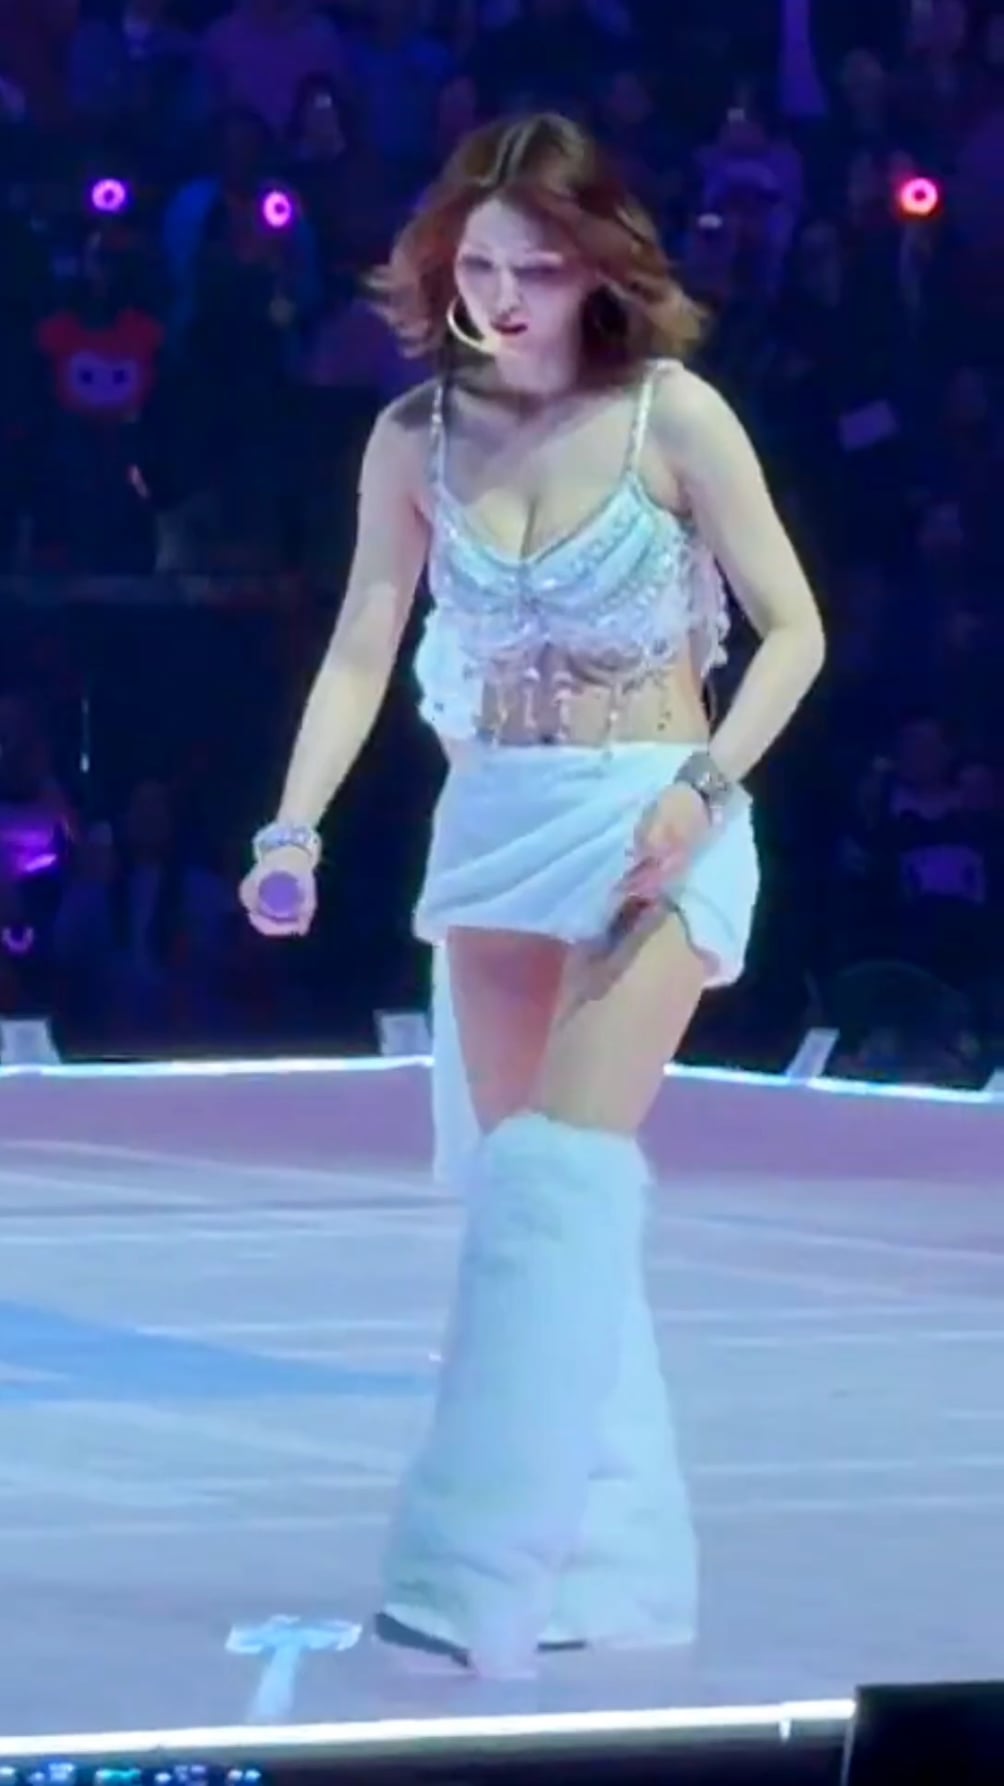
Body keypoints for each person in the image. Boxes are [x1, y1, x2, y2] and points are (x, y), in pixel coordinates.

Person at [240, 113, 825, 1680]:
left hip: (653, 820)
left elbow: (795, 633)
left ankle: (470, 1565)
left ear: (596, 272)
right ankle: (617, 1567)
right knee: (530, 1207)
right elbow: (363, 642)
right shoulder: (413, 437)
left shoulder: (673, 417)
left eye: (535, 271)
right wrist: (292, 830)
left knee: (558, 1185)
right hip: (493, 822)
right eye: (478, 267)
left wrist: (703, 791)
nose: (500, 299)